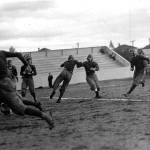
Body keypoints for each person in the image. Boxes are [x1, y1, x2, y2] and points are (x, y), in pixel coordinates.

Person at [0, 50, 54, 129]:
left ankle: (45, 116)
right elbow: (18, 54)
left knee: (19, 109)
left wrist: (27, 67)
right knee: (20, 99)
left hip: (3, 84)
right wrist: (26, 65)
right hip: (7, 82)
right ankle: (36, 104)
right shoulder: (1, 52)